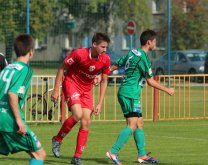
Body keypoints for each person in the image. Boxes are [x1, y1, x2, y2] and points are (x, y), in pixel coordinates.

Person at [106, 29, 175, 165]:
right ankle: (113, 151)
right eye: (155, 41)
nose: (155, 43)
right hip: (129, 94)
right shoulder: (143, 58)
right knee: (132, 125)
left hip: (129, 93)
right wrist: (167, 89)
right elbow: (150, 81)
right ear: (149, 42)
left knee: (139, 123)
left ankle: (142, 155)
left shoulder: (132, 52)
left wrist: (101, 74)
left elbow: (115, 65)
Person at [51, 32, 111, 165]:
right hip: (71, 83)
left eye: (106, 47)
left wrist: (100, 103)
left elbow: (104, 81)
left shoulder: (105, 59)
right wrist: (56, 89)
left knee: (86, 122)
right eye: (102, 47)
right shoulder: (79, 53)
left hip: (86, 90)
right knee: (77, 114)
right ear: (94, 44)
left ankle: (76, 157)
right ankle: (58, 139)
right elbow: (62, 69)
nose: (105, 50)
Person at [0, 34, 46, 165]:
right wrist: (19, 121)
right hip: (10, 121)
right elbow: (12, 94)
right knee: (39, 155)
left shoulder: (6, 68)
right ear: (31, 52)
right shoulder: (25, 70)